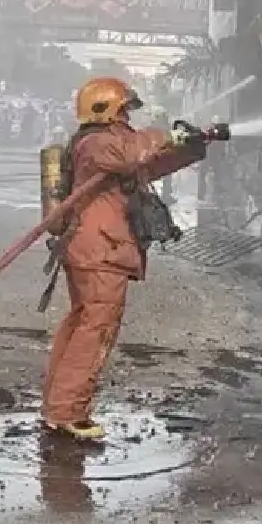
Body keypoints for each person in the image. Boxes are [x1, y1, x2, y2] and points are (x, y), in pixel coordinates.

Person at [41, 76, 225, 440]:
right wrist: (168, 134)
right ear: (107, 109)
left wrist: (193, 145)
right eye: (124, 109)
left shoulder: (111, 148)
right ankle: (68, 413)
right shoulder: (96, 143)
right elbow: (133, 155)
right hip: (100, 251)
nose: (128, 116)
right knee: (95, 331)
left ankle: (58, 406)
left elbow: (148, 166)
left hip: (97, 249)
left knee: (83, 325)